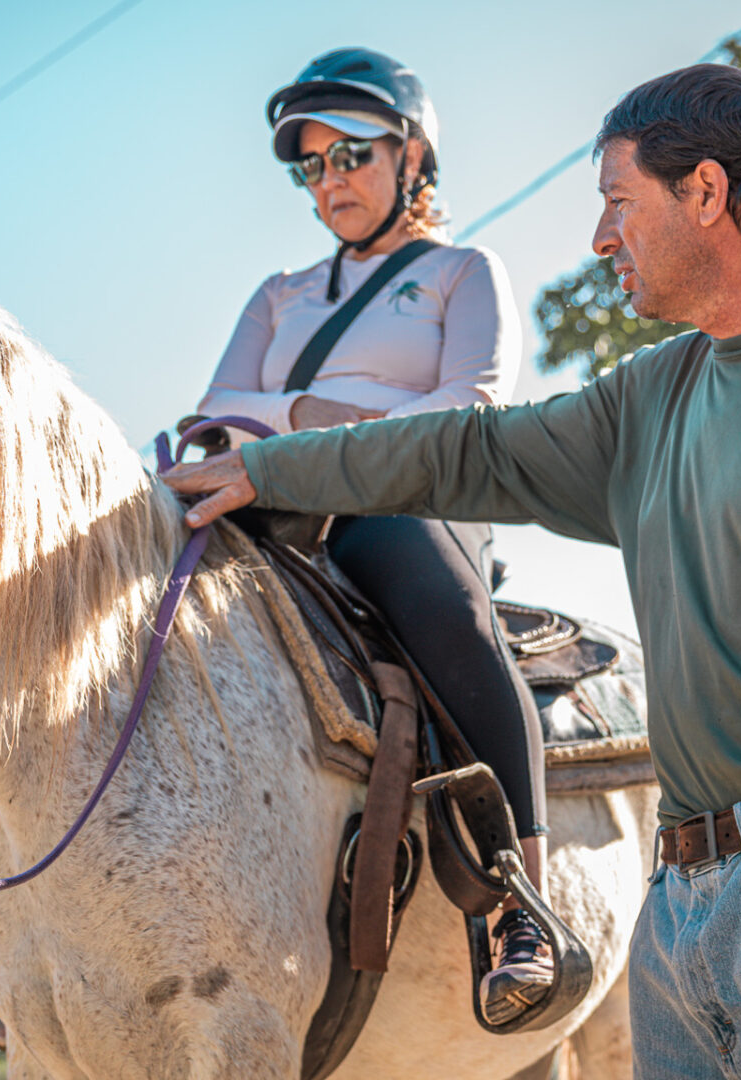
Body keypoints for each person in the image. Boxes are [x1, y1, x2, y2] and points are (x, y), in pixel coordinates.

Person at [164, 63, 741, 1079]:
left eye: (617, 203)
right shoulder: (649, 394)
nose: (602, 239)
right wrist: (259, 467)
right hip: (679, 908)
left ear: (707, 194)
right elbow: (464, 450)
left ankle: (519, 893)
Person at [199, 46, 556, 1025]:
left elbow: (468, 411)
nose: (330, 180)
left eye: (351, 153)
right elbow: (214, 411)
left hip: (405, 502)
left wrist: (305, 417)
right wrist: (322, 416)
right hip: (264, 499)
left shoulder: (461, 271)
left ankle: (521, 900)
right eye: (309, 165)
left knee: (450, 615)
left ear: (413, 158)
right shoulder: (278, 292)